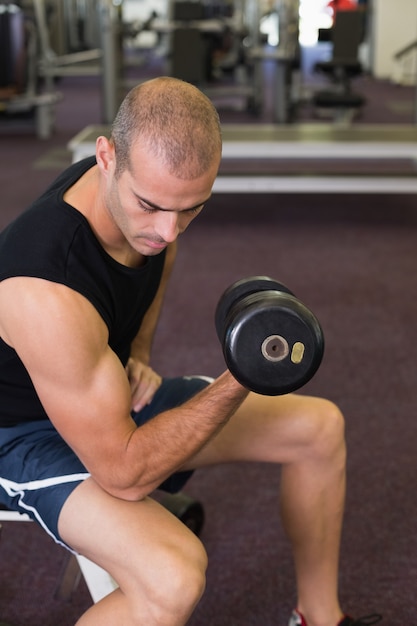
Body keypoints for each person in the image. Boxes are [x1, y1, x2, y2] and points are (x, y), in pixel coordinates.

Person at [0, 77, 381, 626]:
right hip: (24, 435)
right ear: (106, 157)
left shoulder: (147, 212)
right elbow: (125, 475)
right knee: (171, 577)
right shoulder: (45, 286)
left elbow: (161, 255)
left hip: (94, 392)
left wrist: (138, 351)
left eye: (191, 209)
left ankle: (319, 617)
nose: (168, 230)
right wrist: (241, 375)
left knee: (317, 429)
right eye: (151, 206)